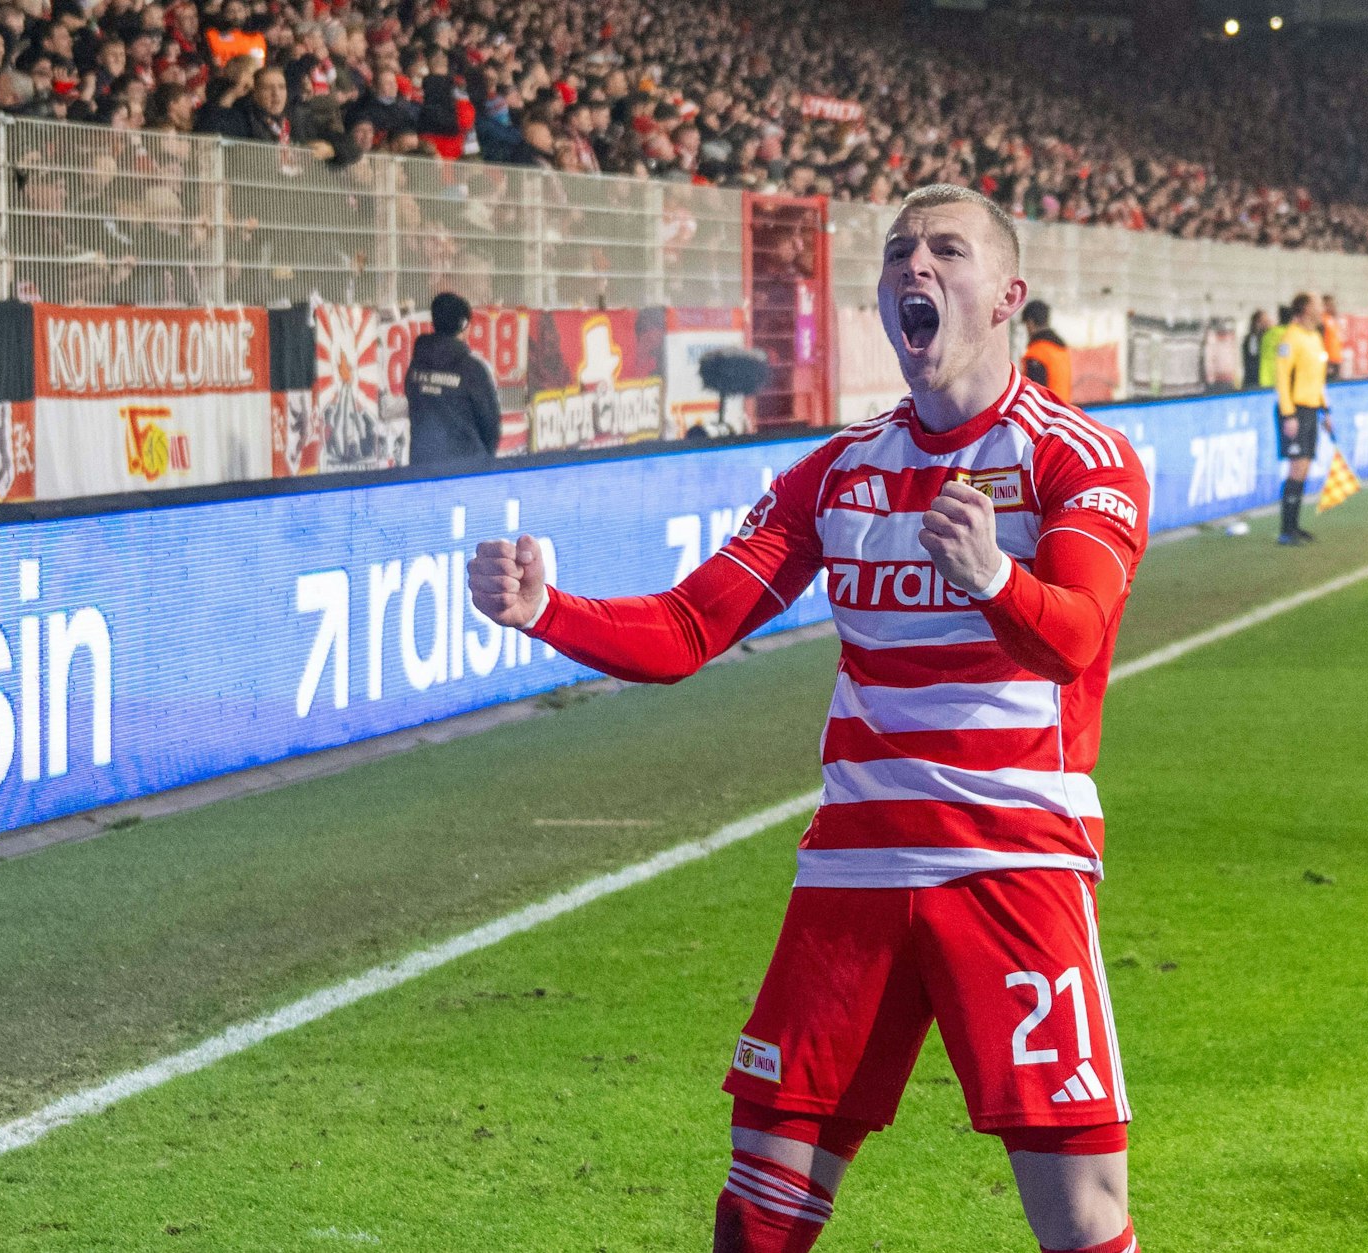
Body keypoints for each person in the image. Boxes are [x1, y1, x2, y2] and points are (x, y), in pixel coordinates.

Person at [469, 183, 1148, 1253]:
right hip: (854, 874)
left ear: (1007, 293)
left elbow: (1072, 634)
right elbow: (690, 624)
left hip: (1013, 863)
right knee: (757, 1206)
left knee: (1080, 1217)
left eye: (945, 250)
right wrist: (544, 609)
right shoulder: (839, 472)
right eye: (896, 252)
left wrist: (989, 578)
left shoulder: (1074, 459)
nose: (913, 267)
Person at [406, 292, 500, 467]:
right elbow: (490, 427)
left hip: (423, 468)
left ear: (434, 323)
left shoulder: (416, 365)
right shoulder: (472, 370)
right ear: (464, 325)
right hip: (466, 470)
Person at [1274, 292, 1330, 546]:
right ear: (1306, 309)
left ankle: (1294, 526)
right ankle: (1285, 529)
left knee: (1304, 467)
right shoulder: (1291, 337)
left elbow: (1318, 380)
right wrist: (1288, 414)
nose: (1322, 309)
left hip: (1311, 410)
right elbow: (1282, 377)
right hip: (1295, 410)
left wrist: (1325, 410)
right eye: (1317, 305)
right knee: (1296, 467)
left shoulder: (1315, 337)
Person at [1020, 299, 1072, 404]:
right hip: (1063, 414)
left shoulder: (1036, 354)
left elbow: (1033, 397)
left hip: (1045, 417)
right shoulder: (1061, 350)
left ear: (1030, 323)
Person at [1258, 303, 1292, 391]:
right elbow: (1285, 357)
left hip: (1264, 377)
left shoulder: (1268, 334)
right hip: (1277, 379)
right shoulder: (1288, 335)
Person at [1242, 308, 1268, 388]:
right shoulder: (1253, 338)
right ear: (1257, 322)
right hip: (1254, 381)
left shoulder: (1261, 337)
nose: (1267, 323)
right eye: (1264, 321)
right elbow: (1253, 359)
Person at [1320, 294, 1344, 380]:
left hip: (1336, 358)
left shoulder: (1333, 319)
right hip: (1328, 360)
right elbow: (1321, 342)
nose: (1331, 307)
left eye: (1332, 304)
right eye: (1328, 304)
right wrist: (1326, 362)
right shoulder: (1322, 320)